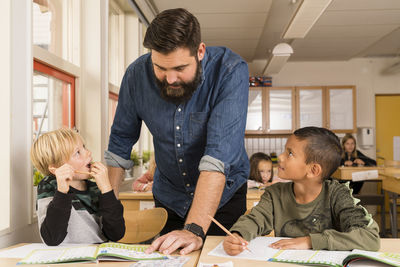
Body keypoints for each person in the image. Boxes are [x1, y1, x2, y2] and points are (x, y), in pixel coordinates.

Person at [105, 8, 249, 255]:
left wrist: (194, 229)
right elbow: (119, 144)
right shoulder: (136, 75)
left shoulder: (230, 70)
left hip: (222, 197)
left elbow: (219, 158)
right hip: (170, 196)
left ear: (200, 52)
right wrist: (106, 211)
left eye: (180, 68)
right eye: (160, 68)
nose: (170, 79)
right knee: (171, 259)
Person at [223, 127, 380, 255]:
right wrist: (238, 235)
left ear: (313, 170)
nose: (281, 157)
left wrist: (310, 241)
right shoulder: (275, 193)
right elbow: (255, 219)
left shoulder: (338, 194)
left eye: (290, 153)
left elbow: (369, 237)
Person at [31, 128, 125, 246]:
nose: (88, 153)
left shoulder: (95, 188)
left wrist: (106, 189)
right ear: (55, 169)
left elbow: (116, 234)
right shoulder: (49, 186)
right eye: (77, 153)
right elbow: (52, 238)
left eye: (84, 147)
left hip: (98, 256)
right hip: (63, 258)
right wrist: (62, 192)